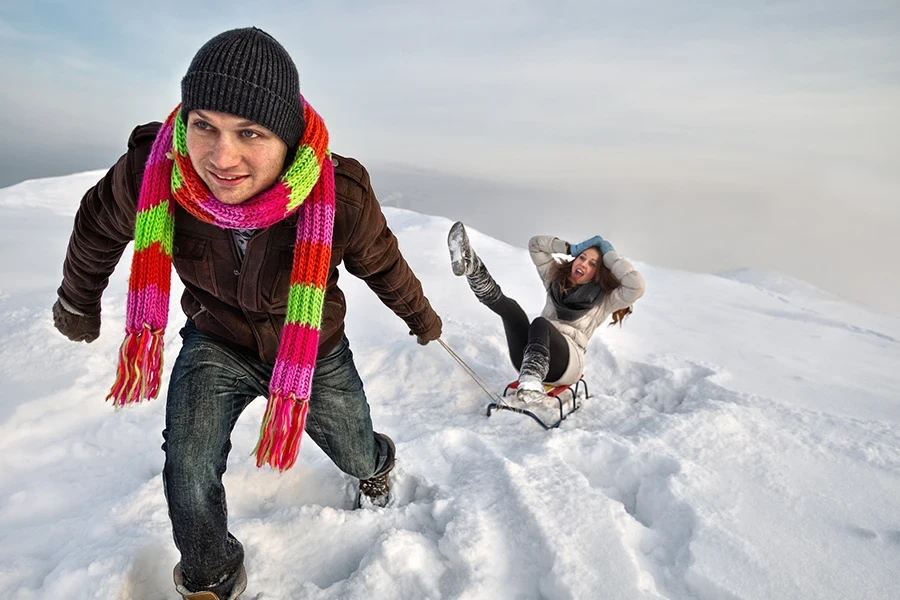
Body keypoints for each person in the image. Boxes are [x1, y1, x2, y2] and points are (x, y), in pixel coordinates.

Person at [51, 27, 442, 600]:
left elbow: (384, 263)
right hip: (216, 339)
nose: (219, 156)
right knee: (187, 465)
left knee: (354, 449)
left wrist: (421, 316)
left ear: (286, 140)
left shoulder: (341, 195)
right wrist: (77, 302)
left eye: (249, 132)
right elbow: (95, 226)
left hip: (312, 350)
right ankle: (209, 574)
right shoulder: (153, 171)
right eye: (203, 123)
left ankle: (376, 463)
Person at [448, 222, 644, 403]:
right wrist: (569, 248)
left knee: (541, 324)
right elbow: (535, 245)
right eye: (582, 257)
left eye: (592, 264)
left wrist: (610, 257)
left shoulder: (605, 299)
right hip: (530, 358)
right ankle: (472, 268)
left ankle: (532, 380)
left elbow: (636, 286)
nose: (583, 264)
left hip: (568, 364)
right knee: (513, 312)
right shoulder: (554, 280)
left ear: (600, 272)